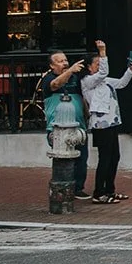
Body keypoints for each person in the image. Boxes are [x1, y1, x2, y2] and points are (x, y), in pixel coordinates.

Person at [80, 41, 132, 204]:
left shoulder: (104, 81)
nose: (100, 67)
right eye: (97, 64)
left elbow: (121, 83)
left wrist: (130, 70)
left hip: (112, 122)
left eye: (100, 63)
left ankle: (110, 190)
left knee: (114, 157)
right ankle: (99, 193)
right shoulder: (87, 81)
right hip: (100, 125)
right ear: (89, 67)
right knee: (105, 158)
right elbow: (103, 72)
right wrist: (103, 52)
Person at [37, 49, 91, 201]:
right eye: (60, 61)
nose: (65, 63)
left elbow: (81, 98)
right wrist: (71, 70)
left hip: (78, 126)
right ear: (51, 66)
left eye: (66, 60)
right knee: (63, 161)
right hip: (57, 129)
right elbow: (55, 84)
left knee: (81, 159)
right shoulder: (48, 79)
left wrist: (87, 114)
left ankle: (78, 188)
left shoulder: (75, 79)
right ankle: (63, 190)